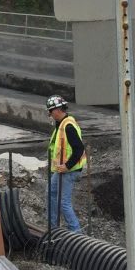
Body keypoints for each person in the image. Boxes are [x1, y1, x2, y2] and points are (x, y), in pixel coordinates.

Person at [46, 95, 87, 233]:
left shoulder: (68, 126)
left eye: (50, 112)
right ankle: (53, 228)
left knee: (64, 203)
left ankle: (76, 233)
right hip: (61, 170)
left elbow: (79, 149)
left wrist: (67, 165)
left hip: (69, 170)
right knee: (51, 192)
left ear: (57, 110)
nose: (50, 115)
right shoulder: (61, 125)